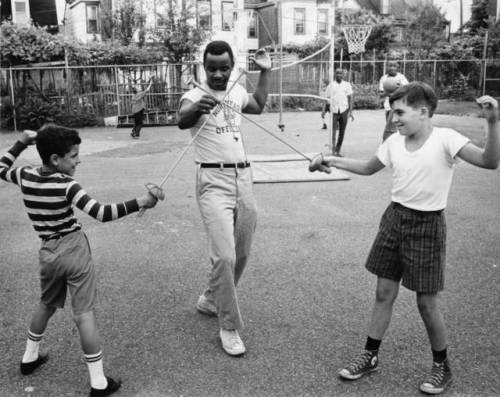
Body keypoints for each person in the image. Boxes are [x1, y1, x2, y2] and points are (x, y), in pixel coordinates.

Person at [316, 82, 499, 394]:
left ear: (423, 111)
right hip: (394, 219)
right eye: (392, 113)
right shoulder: (394, 143)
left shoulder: (446, 138)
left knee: (427, 303)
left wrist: (493, 122)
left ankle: (442, 365)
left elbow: (489, 161)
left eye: (399, 112)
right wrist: (332, 161)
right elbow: (368, 167)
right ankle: (370, 354)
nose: (394, 119)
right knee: (383, 293)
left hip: (428, 225)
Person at [0, 124, 160, 396]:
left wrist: (20, 143)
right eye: (73, 156)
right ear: (55, 159)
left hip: (48, 252)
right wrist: (140, 201)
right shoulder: (67, 185)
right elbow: (101, 212)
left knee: (46, 303)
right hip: (74, 250)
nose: (78, 160)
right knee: (84, 314)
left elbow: (1, 168)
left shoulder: (25, 175)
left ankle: (29, 357)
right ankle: (98, 382)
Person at [177, 40, 271, 356]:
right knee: (225, 256)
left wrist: (265, 72)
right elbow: (181, 119)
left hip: (243, 177)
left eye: (224, 67)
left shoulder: (235, 91)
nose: (218, 74)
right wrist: (196, 108)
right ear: (204, 67)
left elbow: (258, 105)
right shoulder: (194, 95)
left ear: (232, 67)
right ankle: (228, 326)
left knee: (242, 251)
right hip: (212, 181)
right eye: (212, 68)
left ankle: (211, 298)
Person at [322, 68, 354, 156]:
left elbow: (350, 98)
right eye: (337, 73)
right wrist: (323, 110)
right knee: (333, 132)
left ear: (343, 75)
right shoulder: (331, 85)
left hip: (344, 110)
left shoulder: (347, 85)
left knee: (342, 132)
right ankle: (332, 151)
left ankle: (337, 150)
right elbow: (326, 98)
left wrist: (351, 112)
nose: (339, 75)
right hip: (334, 111)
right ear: (335, 74)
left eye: (341, 73)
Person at [379, 60, 408, 141]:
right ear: (387, 67)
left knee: (400, 128)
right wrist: (387, 92)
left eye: (394, 66)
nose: (392, 67)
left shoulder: (401, 78)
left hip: (401, 107)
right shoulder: (384, 78)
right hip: (389, 108)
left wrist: (400, 88)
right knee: (390, 129)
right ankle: (387, 146)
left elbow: (408, 90)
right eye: (390, 65)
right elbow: (381, 95)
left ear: (397, 67)